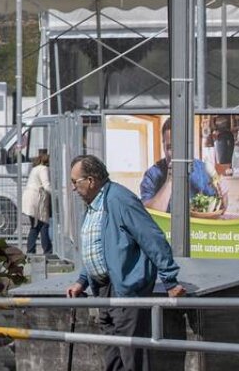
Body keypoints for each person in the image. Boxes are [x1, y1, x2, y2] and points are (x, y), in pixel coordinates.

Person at [65, 154, 186, 371]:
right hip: (103, 289)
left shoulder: (119, 199)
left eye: (75, 182)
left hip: (125, 288)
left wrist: (170, 279)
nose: (73, 188)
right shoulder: (96, 203)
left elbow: (152, 237)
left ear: (91, 181)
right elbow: (99, 247)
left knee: (132, 355)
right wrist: (82, 280)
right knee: (113, 355)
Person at [137, 123, 220, 208]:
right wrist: (169, 181)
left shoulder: (202, 169)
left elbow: (218, 206)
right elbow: (148, 215)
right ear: (163, 146)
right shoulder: (151, 175)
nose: (177, 154)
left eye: (181, 146)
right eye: (170, 147)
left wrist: (223, 194)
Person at [22, 149, 55, 257]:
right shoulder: (43, 169)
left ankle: (31, 250)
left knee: (35, 226)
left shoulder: (35, 168)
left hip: (30, 199)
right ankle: (48, 251)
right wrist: (56, 194)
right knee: (43, 225)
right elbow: (46, 185)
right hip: (37, 199)